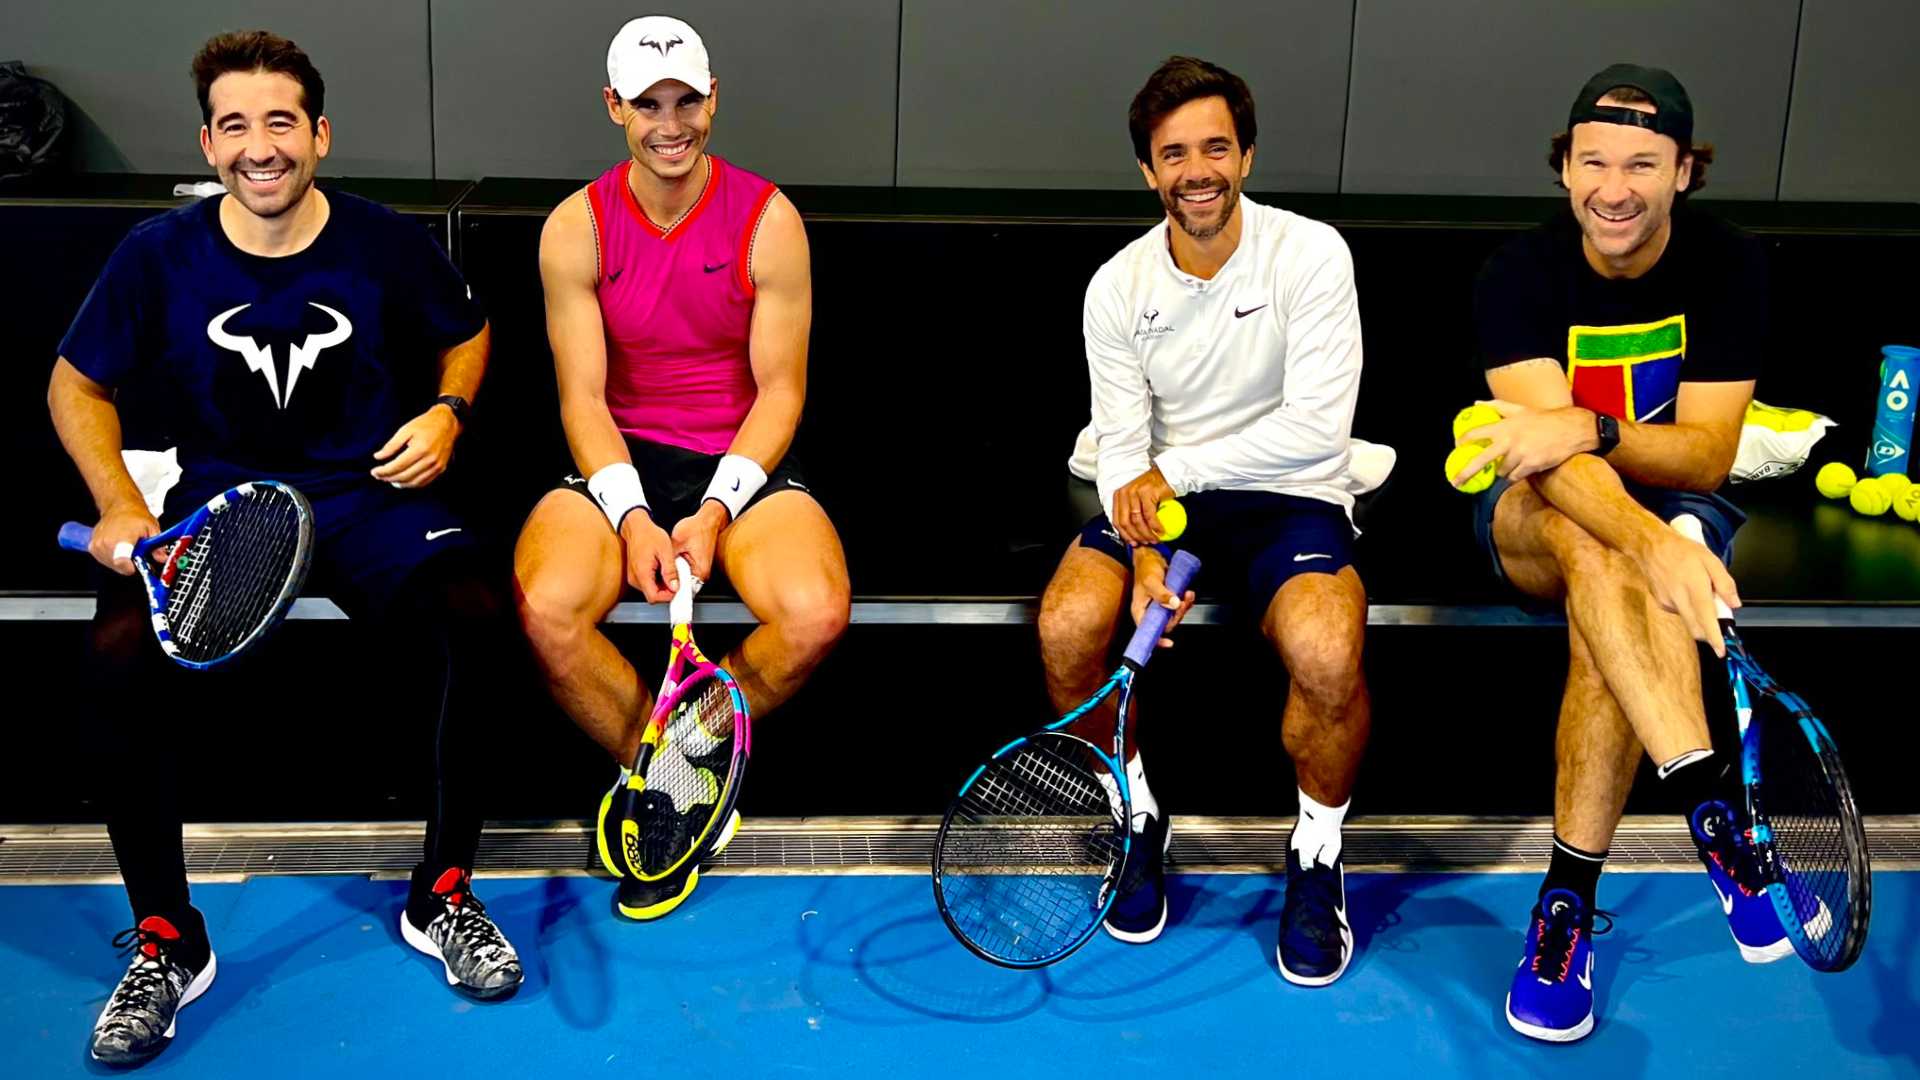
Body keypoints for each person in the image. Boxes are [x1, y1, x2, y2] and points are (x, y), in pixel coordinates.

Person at [47, 30, 523, 1066]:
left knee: (477, 619)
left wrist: (447, 410)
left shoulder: (383, 239)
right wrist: (122, 504)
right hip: (227, 504)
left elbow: (469, 329)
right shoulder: (156, 255)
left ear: (319, 133)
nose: (258, 147)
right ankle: (170, 939)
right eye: (234, 125)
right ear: (208, 143)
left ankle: (441, 893)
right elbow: (73, 384)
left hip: (364, 495)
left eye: (279, 122)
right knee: (118, 656)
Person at [1456, 63, 1781, 1043]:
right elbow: (1542, 465)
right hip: (1536, 510)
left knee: (1606, 596)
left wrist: (1589, 428)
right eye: (1593, 160)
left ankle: (1562, 913)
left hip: (1671, 499)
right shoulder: (1515, 273)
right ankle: (1710, 800)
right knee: (1591, 542)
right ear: (1564, 169)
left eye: (1643, 163)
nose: (1614, 185)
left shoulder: (1730, 265)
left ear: (1684, 171)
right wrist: (1655, 545)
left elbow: (1708, 450)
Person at [1046, 56, 1378, 987]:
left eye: (1216, 148)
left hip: (1292, 490)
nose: (1198, 170)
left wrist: (1171, 477)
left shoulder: (1312, 254)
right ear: (1149, 173)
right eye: (1174, 154)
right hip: (1161, 497)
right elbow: (1121, 442)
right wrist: (1149, 546)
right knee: (1070, 626)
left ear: (1248, 156)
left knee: (1325, 649)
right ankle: (1136, 813)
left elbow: (1315, 428)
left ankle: (1317, 852)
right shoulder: (1116, 288)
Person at [513, 15, 850, 921]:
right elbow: (583, 402)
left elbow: (780, 394)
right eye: (649, 103)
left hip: (740, 457)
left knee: (815, 612)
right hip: (614, 457)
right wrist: (630, 516)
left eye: (688, 101)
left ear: (713, 100)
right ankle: (671, 782)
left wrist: (713, 509)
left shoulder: (770, 222)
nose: (672, 123)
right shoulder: (574, 228)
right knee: (545, 610)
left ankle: (681, 767)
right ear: (614, 105)